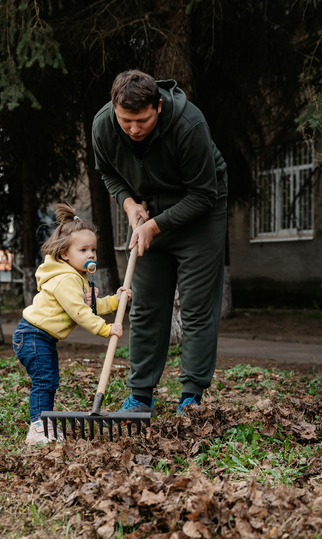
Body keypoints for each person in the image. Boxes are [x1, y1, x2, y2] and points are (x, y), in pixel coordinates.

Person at [92, 69, 228, 415]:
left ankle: (191, 396)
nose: (133, 129)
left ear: (159, 107)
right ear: (114, 109)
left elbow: (203, 194)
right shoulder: (104, 126)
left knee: (197, 307)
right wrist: (128, 203)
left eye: (142, 120)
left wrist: (157, 226)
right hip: (147, 211)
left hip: (200, 211)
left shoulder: (189, 124)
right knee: (146, 305)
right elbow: (108, 171)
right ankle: (140, 397)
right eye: (126, 121)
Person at [13, 203, 131, 445]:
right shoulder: (67, 279)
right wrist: (105, 329)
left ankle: (43, 424)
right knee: (44, 380)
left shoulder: (77, 278)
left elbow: (90, 306)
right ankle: (37, 428)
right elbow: (79, 313)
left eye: (93, 250)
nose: (91, 255)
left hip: (41, 337)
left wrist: (115, 301)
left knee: (50, 380)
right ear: (65, 254)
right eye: (83, 250)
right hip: (33, 335)